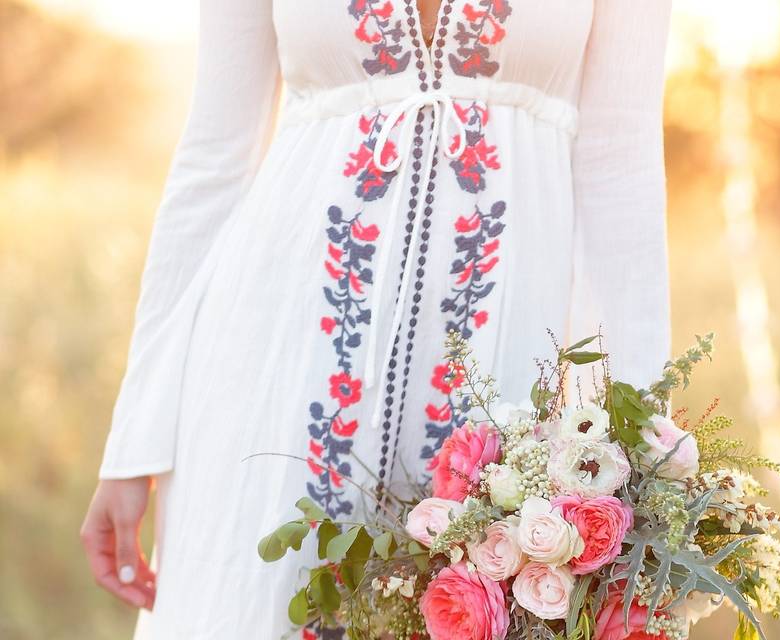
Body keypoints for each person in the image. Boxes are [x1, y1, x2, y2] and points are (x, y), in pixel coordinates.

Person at [80, 0, 673, 637]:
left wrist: (643, 456)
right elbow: (213, 161)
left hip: (503, 385)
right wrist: (135, 438)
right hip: (270, 374)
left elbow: (621, 164)